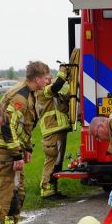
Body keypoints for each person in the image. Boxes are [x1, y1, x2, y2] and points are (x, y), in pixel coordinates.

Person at [0, 61, 52, 224]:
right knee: (8, 187)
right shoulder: (20, 97)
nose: (48, 82)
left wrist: (28, 148)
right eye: (46, 78)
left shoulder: (31, 94)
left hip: (15, 146)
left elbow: (26, 125)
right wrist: (16, 154)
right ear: (37, 79)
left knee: (19, 188)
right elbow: (8, 125)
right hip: (5, 147)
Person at [36, 64, 71, 200]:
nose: (49, 79)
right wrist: (64, 70)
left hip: (59, 131)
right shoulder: (42, 92)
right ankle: (46, 190)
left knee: (57, 163)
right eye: (46, 77)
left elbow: (66, 98)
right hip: (52, 133)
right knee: (52, 162)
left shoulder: (54, 95)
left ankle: (52, 189)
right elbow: (57, 85)